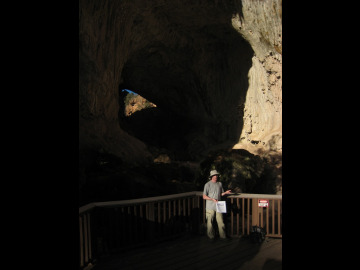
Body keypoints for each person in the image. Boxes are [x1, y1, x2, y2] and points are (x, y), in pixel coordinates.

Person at [203, 169, 232, 240]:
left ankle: (223, 236)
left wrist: (225, 193)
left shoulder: (219, 184)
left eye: (217, 175)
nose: (216, 176)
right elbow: (204, 196)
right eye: (214, 175)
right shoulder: (207, 184)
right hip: (210, 206)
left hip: (219, 206)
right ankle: (211, 237)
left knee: (221, 222)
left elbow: (220, 194)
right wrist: (212, 199)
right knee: (210, 223)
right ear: (211, 176)